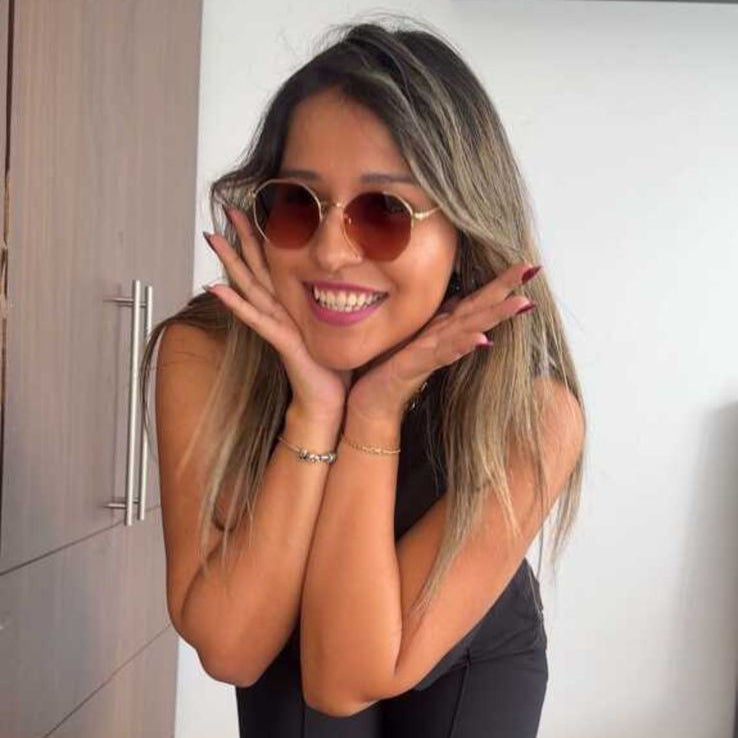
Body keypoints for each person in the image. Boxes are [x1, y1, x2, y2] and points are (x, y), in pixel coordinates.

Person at [141, 14, 586, 737]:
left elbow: (350, 676)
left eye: (384, 211)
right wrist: (316, 412)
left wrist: (374, 414)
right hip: (292, 644)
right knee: (294, 671)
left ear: (465, 229)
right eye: (297, 203)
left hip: (471, 655)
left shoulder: (531, 408)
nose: (330, 252)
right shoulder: (206, 354)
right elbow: (232, 649)